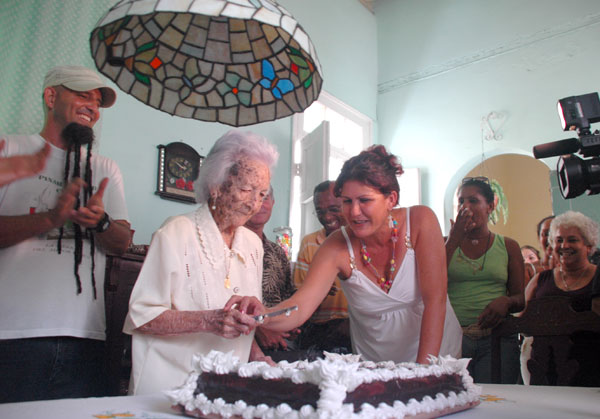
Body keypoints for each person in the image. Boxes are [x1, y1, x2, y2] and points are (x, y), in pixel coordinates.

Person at [228, 145, 462, 364]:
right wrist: (264, 315)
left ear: (391, 199)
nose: (354, 212)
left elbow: (435, 301)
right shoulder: (336, 246)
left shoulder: (420, 221)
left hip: (434, 352)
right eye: (347, 202)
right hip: (376, 361)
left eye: (365, 200)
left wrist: (424, 372)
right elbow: (299, 307)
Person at [0, 66, 131, 403]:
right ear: (51, 96)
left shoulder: (105, 169)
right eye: (83, 95)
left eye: (98, 102)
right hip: (12, 334)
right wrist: (51, 219)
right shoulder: (9, 150)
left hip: (85, 337)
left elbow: (122, 242)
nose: (93, 106)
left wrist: (99, 222)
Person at [123, 130, 278, 395]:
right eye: (245, 190)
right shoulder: (176, 233)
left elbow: (239, 324)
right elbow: (142, 316)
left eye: (262, 194)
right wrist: (208, 321)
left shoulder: (252, 245)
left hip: (224, 390)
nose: (255, 204)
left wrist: (258, 356)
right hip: (169, 388)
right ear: (215, 186)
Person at [445, 177, 525, 384]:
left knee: (497, 401)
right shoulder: (445, 244)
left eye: (473, 201)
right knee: (454, 401)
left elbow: (520, 298)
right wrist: (454, 239)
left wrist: (506, 302)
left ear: (490, 206)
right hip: (454, 339)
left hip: (497, 340)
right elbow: (430, 284)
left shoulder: (508, 246)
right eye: (461, 201)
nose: (466, 207)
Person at [523, 210, 600, 386]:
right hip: (544, 371)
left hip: (591, 370)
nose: (564, 245)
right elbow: (522, 323)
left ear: (588, 245)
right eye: (559, 240)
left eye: (572, 240)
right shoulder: (540, 279)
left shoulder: (598, 276)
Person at [294, 180, 351, 353]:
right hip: (319, 328)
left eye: (334, 209)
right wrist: (319, 293)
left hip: (356, 326)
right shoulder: (309, 243)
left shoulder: (361, 240)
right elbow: (299, 304)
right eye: (320, 211)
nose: (326, 217)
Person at [244, 185, 299, 359]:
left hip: (278, 345)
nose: (259, 203)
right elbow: (218, 300)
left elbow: (287, 297)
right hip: (241, 345)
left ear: (273, 203)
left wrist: (289, 326)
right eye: (251, 197)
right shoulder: (227, 247)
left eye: (264, 197)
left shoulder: (277, 252)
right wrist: (259, 330)